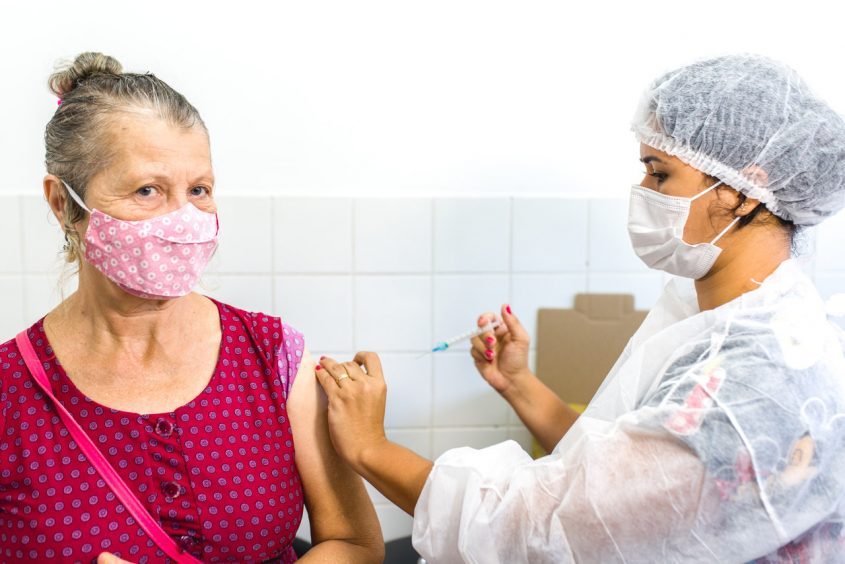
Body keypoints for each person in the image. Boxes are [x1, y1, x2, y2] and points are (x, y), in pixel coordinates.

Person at [315, 54, 845, 562]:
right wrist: (518, 384)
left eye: (659, 174)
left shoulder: (756, 375)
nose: (642, 191)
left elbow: (543, 528)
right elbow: (623, 478)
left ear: (747, 190)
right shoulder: (727, 316)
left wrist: (369, 447)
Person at [0, 52, 383, 563]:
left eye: (199, 190)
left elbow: (354, 544)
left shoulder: (272, 356)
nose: (184, 220)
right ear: (62, 203)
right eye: (147, 191)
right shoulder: (9, 392)